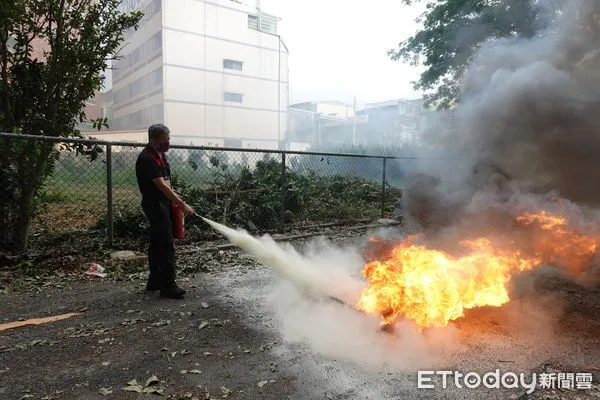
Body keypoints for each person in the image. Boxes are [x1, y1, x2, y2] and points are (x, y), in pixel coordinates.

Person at [135, 123, 195, 298]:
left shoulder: (161, 157)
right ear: (153, 140)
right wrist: (183, 204)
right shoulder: (147, 159)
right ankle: (168, 285)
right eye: (164, 140)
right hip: (155, 205)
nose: (167, 143)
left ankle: (154, 281)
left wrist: (175, 203)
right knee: (167, 244)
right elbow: (161, 185)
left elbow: (168, 183)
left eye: (168, 139)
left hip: (165, 204)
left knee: (156, 243)